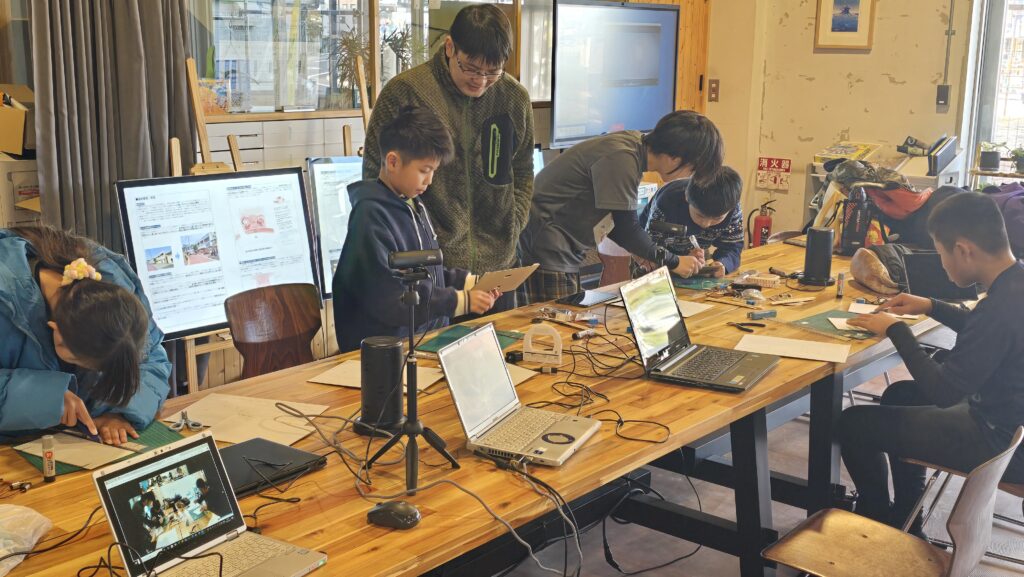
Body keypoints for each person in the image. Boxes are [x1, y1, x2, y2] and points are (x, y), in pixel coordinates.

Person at [842, 191, 1024, 537]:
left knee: (853, 424)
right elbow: (983, 332)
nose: (942, 264)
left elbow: (943, 391)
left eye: (941, 253)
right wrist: (931, 305)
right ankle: (907, 521)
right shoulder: (1015, 282)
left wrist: (895, 330)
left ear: (963, 250)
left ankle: (876, 524)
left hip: (999, 442)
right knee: (899, 395)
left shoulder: (999, 307)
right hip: (1009, 419)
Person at [362, 4, 534, 313]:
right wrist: (411, 242)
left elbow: (523, 170)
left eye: (492, 72)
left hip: (499, 270)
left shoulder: (514, 98)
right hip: (434, 273)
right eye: (471, 68)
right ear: (450, 47)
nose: (480, 81)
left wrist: (514, 222)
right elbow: (375, 177)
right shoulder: (406, 93)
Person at [333, 106, 501, 352]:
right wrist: (459, 301)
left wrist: (469, 282)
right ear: (393, 161)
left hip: (424, 339)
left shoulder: (413, 204)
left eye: (433, 171)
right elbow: (390, 298)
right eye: (424, 170)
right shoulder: (370, 216)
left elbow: (425, 272)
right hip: (384, 352)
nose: (429, 180)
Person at [518, 110, 724, 303]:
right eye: (692, 170)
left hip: (558, 243)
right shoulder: (623, 159)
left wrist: (645, 252)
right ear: (674, 159)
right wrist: (675, 261)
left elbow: (617, 222)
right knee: (557, 320)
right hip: (547, 242)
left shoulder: (632, 147)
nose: (688, 176)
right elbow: (627, 229)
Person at [0, 225, 171, 445]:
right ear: (56, 331)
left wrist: (120, 411)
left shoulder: (113, 281)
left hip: (78, 440)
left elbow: (152, 358)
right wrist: (42, 398)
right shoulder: (6, 298)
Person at [638, 166, 745, 278]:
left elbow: (733, 246)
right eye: (700, 215)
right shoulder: (666, 202)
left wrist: (723, 264)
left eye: (717, 218)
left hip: (694, 252)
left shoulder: (730, 207)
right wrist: (677, 261)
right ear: (687, 198)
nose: (706, 224)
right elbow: (649, 249)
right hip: (655, 256)